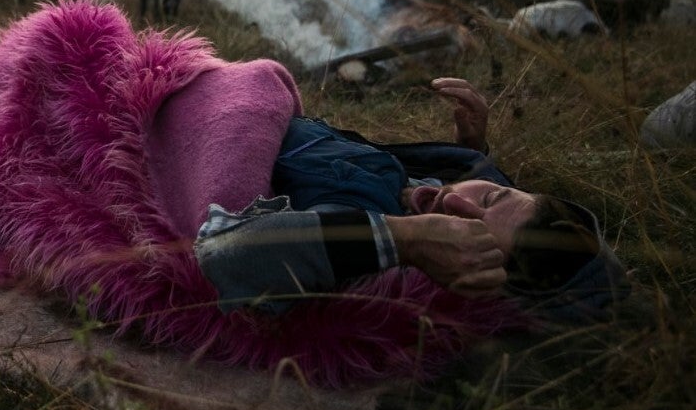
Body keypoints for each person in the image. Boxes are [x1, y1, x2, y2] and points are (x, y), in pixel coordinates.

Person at [194, 77, 630, 322]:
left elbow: (225, 252)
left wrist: (405, 238)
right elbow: (491, 181)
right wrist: (473, 152)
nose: (456, 204)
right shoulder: (470, 181)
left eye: (471, 231)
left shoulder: (365, 221)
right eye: (492, 196)